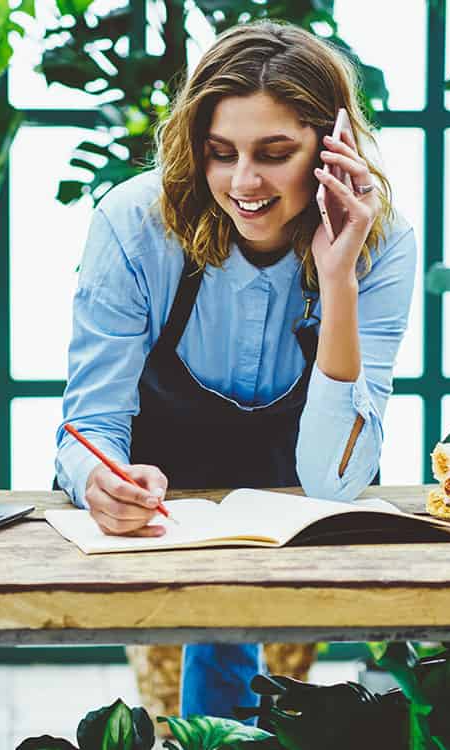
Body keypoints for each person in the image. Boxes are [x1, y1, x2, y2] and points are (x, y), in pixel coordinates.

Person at [54, 20, 416, 720]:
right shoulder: (133, 223)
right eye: (220, 154)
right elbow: (87, 425)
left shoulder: (382, 241)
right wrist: (98, 478)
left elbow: (336, 479)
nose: (243, 183)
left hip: (298, 494)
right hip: (166, 505)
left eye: (274, 153)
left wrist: (338, 279)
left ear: (330, 147)